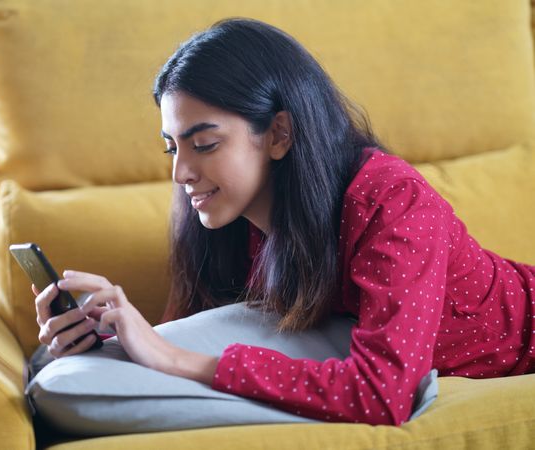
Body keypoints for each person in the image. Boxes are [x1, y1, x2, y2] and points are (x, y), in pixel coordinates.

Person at [32, 17, 535, 426]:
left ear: (278, 134)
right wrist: (101, 340)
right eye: (172, 146)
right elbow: (183, 332)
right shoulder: (222, 210)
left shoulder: (392, 199)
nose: (181, 172)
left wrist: (175, 359)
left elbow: (383, 394)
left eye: (204, 144)